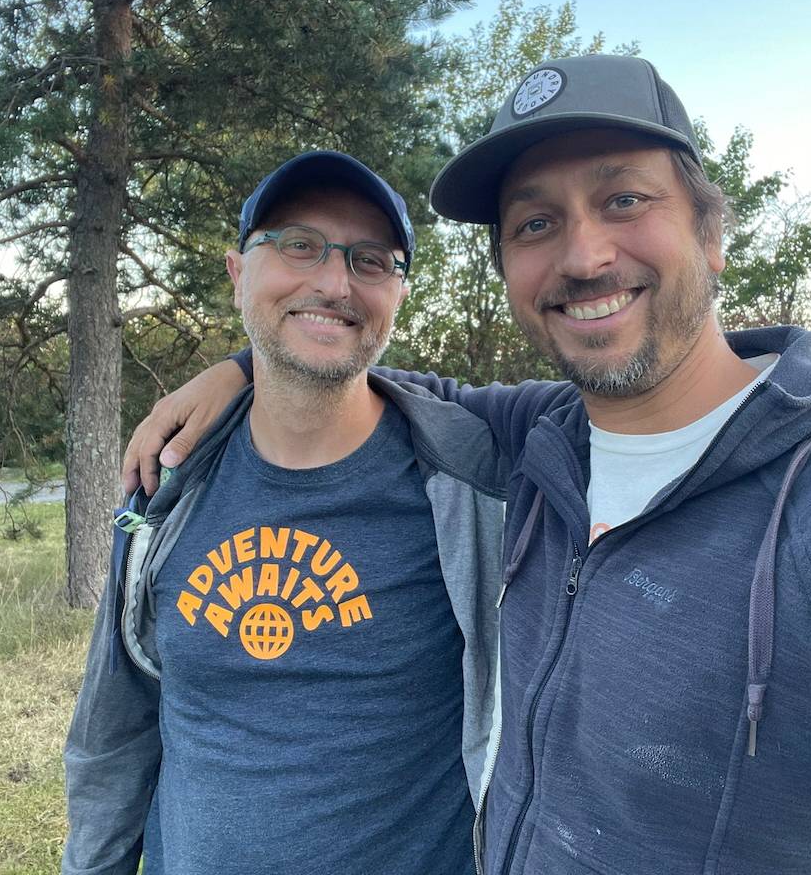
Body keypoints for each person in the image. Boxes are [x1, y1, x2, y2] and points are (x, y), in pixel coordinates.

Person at [122, 56, 811, 873]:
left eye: (624, 200)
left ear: (712, 234)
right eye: (535, 223)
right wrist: (242, 366)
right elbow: (351, 369)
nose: (583, 254)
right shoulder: (533, 438)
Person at [63, 152, 509, 875]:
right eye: (299, 245)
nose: (334, 282)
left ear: (398, 292)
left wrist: (241, 363)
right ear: (238, 273)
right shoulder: (169, 480)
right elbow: (115, 729)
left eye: (371, 260)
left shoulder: (469, 474)